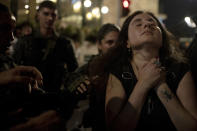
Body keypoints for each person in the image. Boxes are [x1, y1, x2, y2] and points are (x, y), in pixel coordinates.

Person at [89, 11, 197, 131]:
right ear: (127, 42)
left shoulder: (180, 69)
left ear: (162, 39)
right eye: (138, 24)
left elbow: (191, 127)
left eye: (152, 22)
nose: (147, 25)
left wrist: (161, 86)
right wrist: (143, 84)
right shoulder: (117, 72)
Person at [13, 0, 78, 92]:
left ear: (57, 17)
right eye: (46, 14)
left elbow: (74, 70)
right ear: (38, 15)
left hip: (55, 95)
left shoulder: (64, 43)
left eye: (53, 15)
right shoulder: (25, 41)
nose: (50, 18)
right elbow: (15, 67)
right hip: (29, 94)